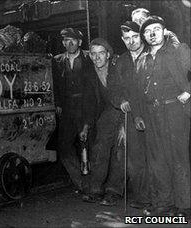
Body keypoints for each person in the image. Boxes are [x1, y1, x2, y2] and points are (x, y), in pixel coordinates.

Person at [136, 15, 191, 216]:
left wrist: (189, 91)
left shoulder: (179, 50)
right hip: (151, 114)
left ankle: (185, 205)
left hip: (175, 111)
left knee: (178, 157)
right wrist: (138, 115)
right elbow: (138, 91)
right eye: (148, 31)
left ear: (164, 31)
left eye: (157, 29)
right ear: (144, 36)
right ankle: (164, 202)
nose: (152, 34)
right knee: (157, 160)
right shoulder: (142, 58)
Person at [108, 21, 151, 209]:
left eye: (135, 37)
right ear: (122, 40)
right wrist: (120, 101)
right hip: (133, 115)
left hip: (155, 113)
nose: (131, 41)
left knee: (158, 157)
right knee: (135, 159)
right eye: (127, 38)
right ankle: (143, 198)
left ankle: (163, 198)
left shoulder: (152, 55)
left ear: (141, 36)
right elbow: (113, 88)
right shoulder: (121, 62)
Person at [52, 28, 97, 196]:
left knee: (89, 145)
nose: (68, 43)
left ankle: (95, 183)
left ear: (79, 42)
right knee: (64, 147)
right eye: (65, 40)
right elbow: (55, 85)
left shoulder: (89, 58)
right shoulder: (57, 60)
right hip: (67, 108)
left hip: (86, 105)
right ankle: (81, 182)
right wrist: (58, 103)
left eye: (72, 40)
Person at [83, 38, 124, 206]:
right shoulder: (89, 73)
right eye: (93, 54)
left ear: (108, 54)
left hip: (124, 110)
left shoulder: (118, 67)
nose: (97, 57)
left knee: (120, 152)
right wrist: (86, 125)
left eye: (101, 53)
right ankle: (96, 190)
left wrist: (123, 125)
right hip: (107, 113)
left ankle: (113, 191)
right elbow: (89, 102)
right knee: (100, 150)